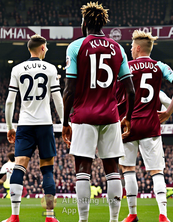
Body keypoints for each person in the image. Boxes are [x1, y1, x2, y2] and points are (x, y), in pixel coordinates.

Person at [62, 2, 136, 222]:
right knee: (112, 168)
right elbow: (130, 90)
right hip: (111, 116)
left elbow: (69, 89)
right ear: (103, 24)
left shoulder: (76, 47)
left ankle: (83, 220)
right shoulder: (118, 48)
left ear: (84, 23)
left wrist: (65, 121)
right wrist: (127, 118)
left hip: (84, 116)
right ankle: (113, 220)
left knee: (83, 168)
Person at [117, 30, 173, 222]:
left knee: (128, 169)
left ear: (138, 48)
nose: (130, 49)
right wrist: (168, 112)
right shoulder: (159, 66)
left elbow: (115, 96)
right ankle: (163, 215)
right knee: (156, 171)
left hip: (128, 123)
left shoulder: (126, 67)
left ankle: (132, 214)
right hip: (150, 124)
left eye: (132, 46)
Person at [2, 34, 64, 222]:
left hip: (25, 124)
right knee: (47, 170)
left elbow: (10, 101)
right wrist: (64, 123)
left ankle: (14, 216)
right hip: (45, 124)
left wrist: (10, 126)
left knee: (19, 165)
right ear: (43, 48)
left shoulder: (17, 69)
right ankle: (50, 216)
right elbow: (57, 99)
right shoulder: (51, 69)